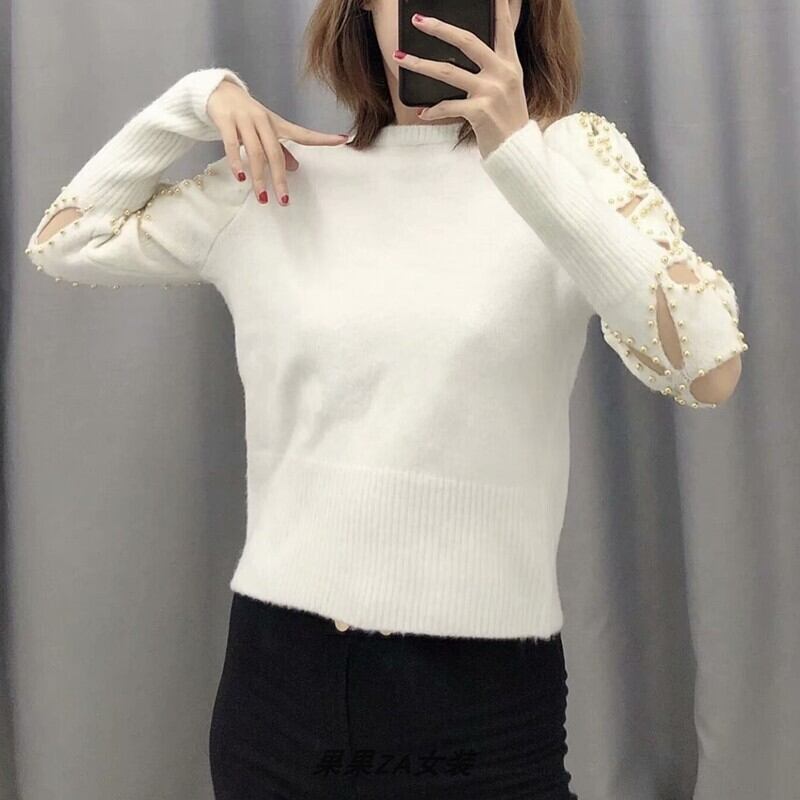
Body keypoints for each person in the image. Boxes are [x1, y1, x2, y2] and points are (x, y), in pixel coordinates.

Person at [25, 0, 747, 797]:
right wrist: (197, 100)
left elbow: (708, 366)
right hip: (278, 688)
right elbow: (65, 239)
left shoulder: (569, 165)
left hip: (480, 703)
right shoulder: (279, 178)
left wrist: (520, 155)